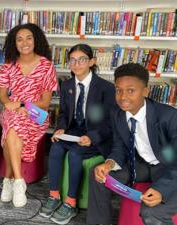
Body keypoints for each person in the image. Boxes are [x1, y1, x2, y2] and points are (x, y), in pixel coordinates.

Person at [87, 63, 177, 225]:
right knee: (98, 176)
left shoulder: (169, 117)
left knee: (151, 212)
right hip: (139, 165)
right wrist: (109, 164)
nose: (123, 97)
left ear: (145, 91)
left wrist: (161, 190)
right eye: (118, 90)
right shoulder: (117, 114)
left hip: (169, 169)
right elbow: (119, 147)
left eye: (130, 90)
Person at [40, 44, 116, 224]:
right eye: (72, 60)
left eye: (82, 59)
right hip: (74, 131)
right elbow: (65, 114)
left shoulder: (106, 88)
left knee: (75, 154)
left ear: (92, 61)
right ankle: (54, 195)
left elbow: (110, 122)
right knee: (56, 147)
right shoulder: (66, 85)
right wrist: (61, 129)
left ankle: (71, 202)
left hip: (96, 134)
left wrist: (93, 137)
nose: (76, 64)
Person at [0, 23, 57, 208]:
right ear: (14, 43)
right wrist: (9, 104)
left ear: (35, 39)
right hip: (12, 109)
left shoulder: (46, 66)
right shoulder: (8, 65)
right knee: (13, 124)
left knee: (12, 129)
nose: (24, 42)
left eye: (28, 37)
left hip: (37, 112)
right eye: (19, 39)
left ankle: (8, 179)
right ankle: (18, 182)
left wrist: (24, 104)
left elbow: (45, 103)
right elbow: (2, 94)